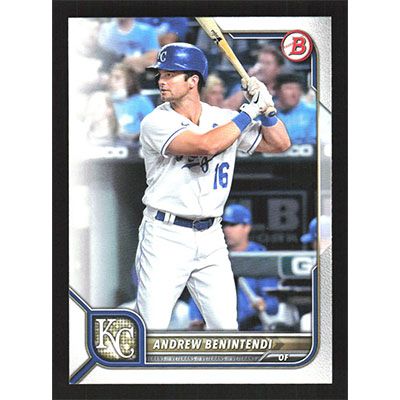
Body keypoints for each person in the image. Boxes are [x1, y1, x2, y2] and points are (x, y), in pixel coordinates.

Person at [134, 42, 290, 330]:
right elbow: (206, 144)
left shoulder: (222, 118)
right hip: (165, 235)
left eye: (170, 75)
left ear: (193, 81)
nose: (161, 81)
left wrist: (268, 110)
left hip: (211, 236)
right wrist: (249, 111)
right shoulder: (156, 121)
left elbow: (280, 144)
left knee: (226, 329)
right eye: (161, 75)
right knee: (151, 328)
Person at [188, 204, 280, 331]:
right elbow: (197, 294)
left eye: (233, 225)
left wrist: (263, 305)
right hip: (219, 328)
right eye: (225, 225)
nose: (227, 229)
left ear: (246, 227)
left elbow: (274, 304)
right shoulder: (212, 254)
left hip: (254, 328)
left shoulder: (259, 256)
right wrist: (196, 318)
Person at [223, 45, 285, 111]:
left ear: (278, 68)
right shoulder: (243, 86)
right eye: (260, 62)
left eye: (268, 63)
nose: (262, 67)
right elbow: (227, 108)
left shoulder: (283, 88)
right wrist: (248, 80)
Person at [108, 63, 154, 144]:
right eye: (112, 77)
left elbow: (152, 126)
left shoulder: (141, 101)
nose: (113, 81)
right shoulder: (107, 100)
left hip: (136, 145)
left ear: (129, 80)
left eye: (118, 78)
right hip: (112, 143)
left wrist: (136, 137)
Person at [275, 73, 317, 145]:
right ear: (277, 91)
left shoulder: (313, 113)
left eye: (297, 89)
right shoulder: (265, 116)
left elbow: (314, 143)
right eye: (289, 88)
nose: (294, 94)